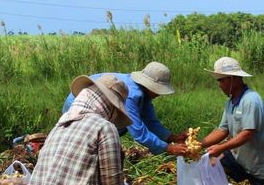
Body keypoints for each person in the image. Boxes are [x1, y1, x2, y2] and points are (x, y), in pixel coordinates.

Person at [61, 61, 189, 155]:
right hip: (80, 103)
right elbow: (139, 133)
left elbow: (151, 122)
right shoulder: (132, 95)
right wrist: (168, 148)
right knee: (83, 140)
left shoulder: (144, 94)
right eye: (158, 91)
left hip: (96, 107)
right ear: (150, 86)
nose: (158, 94)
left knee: (115, 130)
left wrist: (173, 138)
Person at [200, 57, 264, 185]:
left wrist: (221, 147)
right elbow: (222, 130)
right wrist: (199, 145)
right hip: (241, 161)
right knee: (211, 159)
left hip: (259, 167)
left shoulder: (251, 100)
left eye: (222, 80)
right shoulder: (230, 103)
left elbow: (248, 133)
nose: (219, 85)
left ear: (234, 79)